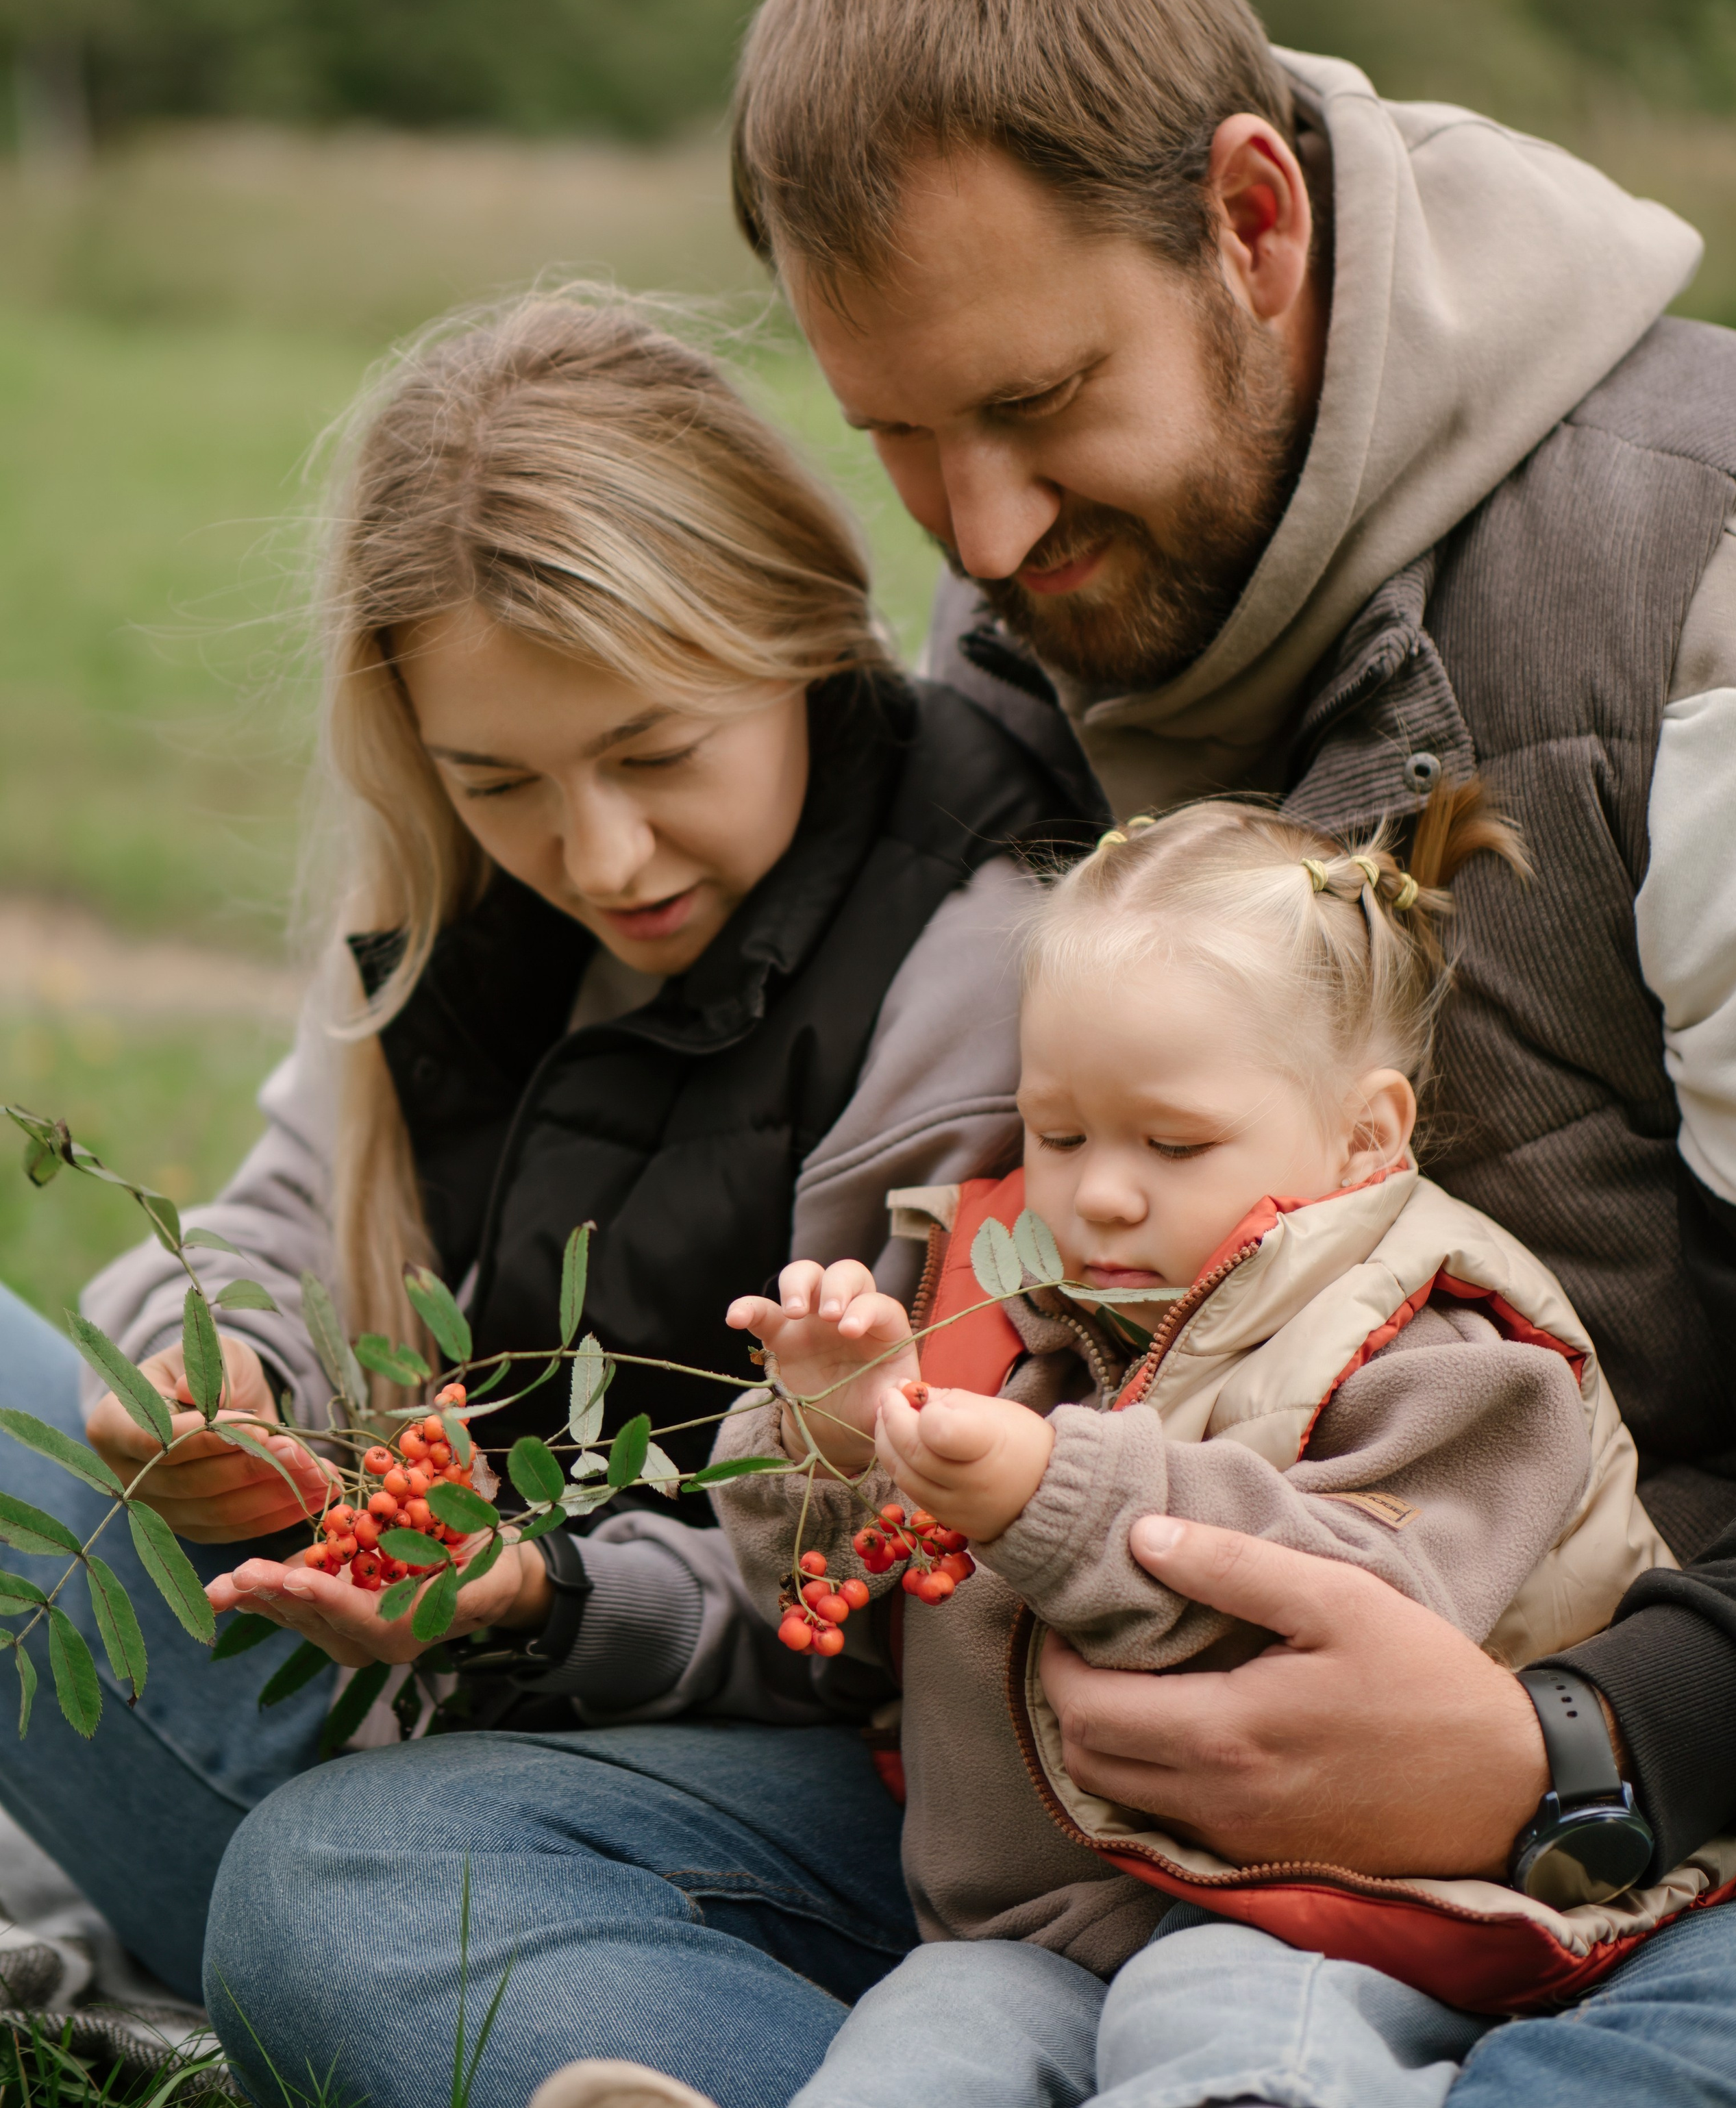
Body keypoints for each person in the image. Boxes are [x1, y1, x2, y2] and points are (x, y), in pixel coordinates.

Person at [214, 0, 1736, 2108]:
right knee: (358, 1890)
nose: (987, 535)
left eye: (1036, 406)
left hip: (1656, 1830)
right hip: (1066, 1839)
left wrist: (1573, 1738)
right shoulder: (1031, 618)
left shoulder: (1704, 586)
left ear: (1252, 220)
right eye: (900, 441)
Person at [0, 287, 1077, 2070]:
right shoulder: (452, 906)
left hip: (744, 1791)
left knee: (340, 1877)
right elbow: (274, 1214)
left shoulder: (978, 965)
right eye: (497, 778)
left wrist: (531, 1592)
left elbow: (849, 1580)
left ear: (806, 630)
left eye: (657, 752)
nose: (599, 852)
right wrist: (226, 1370)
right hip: (394, 1694)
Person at [543, 791, 1726, 2108]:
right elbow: (842, 1613)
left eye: (1173, 1142)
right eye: (1057, 1134)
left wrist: (1055, 1495)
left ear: (1364, 1135)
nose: (1099, 1190)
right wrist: (836, 1435)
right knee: (928, 2034)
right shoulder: (1020, 1308)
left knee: (1214, 2018)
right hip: (1046, 1917)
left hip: (1343, 1899)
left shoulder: (1451, 1348)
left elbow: (1370, 1611)